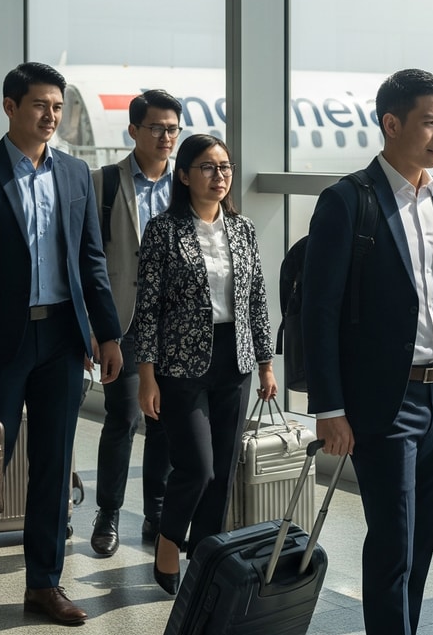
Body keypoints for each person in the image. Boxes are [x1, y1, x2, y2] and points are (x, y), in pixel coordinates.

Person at [0, 61, 122, 625]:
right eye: (40, 105)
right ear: (10, 107)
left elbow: (91, 260)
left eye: (58, 107)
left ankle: (43, 584)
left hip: (62, 336)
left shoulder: (75, 174)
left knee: (53, 464)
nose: (51, 116)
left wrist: (108, 333)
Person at [301, 68, 433, 635]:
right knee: (393, 543)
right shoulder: (349, 201)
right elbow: (320, 313)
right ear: (391, 124)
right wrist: (329, 408)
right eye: (430, 123)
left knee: (421, 545)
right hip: (383, 404)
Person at [131, 133, 276, 593]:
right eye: (209, 168)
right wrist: (146, 375)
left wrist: (266, 363)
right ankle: (169, 538)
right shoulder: (163, 229)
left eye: (225, 167)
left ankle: (206, 561)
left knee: (224, 472)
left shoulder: (243, 228)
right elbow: (147, 307)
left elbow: (257, 299)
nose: (220, 176)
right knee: (198, 467)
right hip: (180, 364)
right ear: (184, 176)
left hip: (236, 359)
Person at [89, 90, 181, 557]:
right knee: (123, 417)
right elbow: (87, 259)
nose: (166, 136)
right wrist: (95, 327)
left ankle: (156, 513)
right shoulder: (104, 183)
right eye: (156, 128)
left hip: (174, 325)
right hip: (122, 322)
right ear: (133, 131)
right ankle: (108, 512)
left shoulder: (185, 183)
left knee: (163, 421)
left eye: (172, 129)